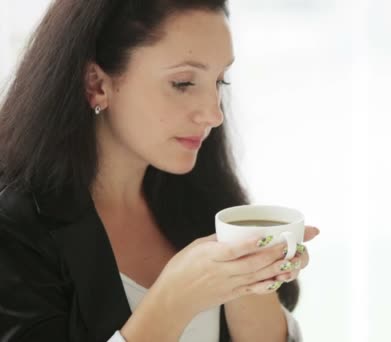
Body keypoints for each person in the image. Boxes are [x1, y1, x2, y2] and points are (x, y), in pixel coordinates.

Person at [0, 1, 320, 341]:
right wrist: (174, 301)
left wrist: (250, 278)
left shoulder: (199, 198)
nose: (213, 114)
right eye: (183, 83)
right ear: (97, 84)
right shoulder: (14, 231)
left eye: (220, 81)